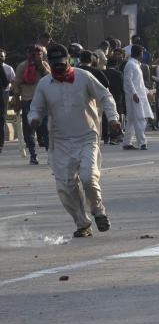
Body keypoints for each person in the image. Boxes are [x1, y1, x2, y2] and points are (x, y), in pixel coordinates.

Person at [27, 44, 121, 237]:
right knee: (65, 186)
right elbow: (35, 108)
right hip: (60, 141)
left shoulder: (83, 77)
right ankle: (82, 224)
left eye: (62, 64)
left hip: (87, 136)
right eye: (55, 65)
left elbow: (106, 96)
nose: (59, 68)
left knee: (88, 177)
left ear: (69, 60)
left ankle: (98, 211)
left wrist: (113, 118)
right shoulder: (45, 84)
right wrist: (34, 119)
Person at [12, 45, 50, 164]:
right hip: (28, 101)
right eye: (34, 54)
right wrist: (17, 101)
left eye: (39, 54)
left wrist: (40, 66)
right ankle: (33, 155)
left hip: (43, 102)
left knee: (46, 129)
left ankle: (50, 154)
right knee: (29, 130)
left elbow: (50, 78)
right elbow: (16, 84)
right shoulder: (22, 67)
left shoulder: (44, 65)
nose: (37, 56)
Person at [122, 45, 153, 150]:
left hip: (139, 95)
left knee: (131, 120)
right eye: (142, 53)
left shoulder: (136, 64)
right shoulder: (130, 64)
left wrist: (147, 92)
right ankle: (142, 143)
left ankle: (127, 142)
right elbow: (128, 80)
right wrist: (134, 93)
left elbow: (139, 83)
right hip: (134, 96)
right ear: (140, 54)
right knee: (140, 119)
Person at [0, 48, 14, 154]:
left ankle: (1, 143)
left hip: (4, 95)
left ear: (5, 57)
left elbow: (12, 82)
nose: (0, 57)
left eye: (2, 56)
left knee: (2, 119)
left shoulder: (8, 68)